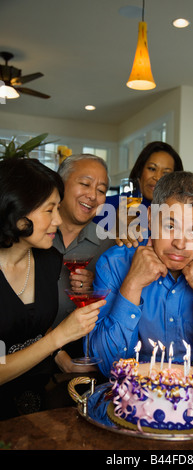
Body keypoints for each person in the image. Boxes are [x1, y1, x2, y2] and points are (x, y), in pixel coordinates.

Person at [88, 171, 193, 378]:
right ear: (150, 218)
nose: (180, 244)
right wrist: (132, 284)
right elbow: (105, 363)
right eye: (170, 226)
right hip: (133, 394)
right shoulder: (114, 262)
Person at [0, 158, 106, 419]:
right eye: (49, 210)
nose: (58, 220)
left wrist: (63, 359)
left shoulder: (48, 261)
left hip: (42, 404)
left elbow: (33, 323)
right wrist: (60, 336)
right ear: (17, 208)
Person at [51, 154, 115, 372]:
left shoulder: (111, 245)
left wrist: (96, 286)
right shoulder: (33, 234)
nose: (93, 195)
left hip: (84, 363)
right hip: (22, 357)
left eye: (101, 190)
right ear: (60, 184)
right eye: (85, 184)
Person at [94, 141, 183, 247]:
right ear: (140, 171)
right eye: (152, 169)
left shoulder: (182, 212)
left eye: (166, 173)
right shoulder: (107, 204)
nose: (157, 177)